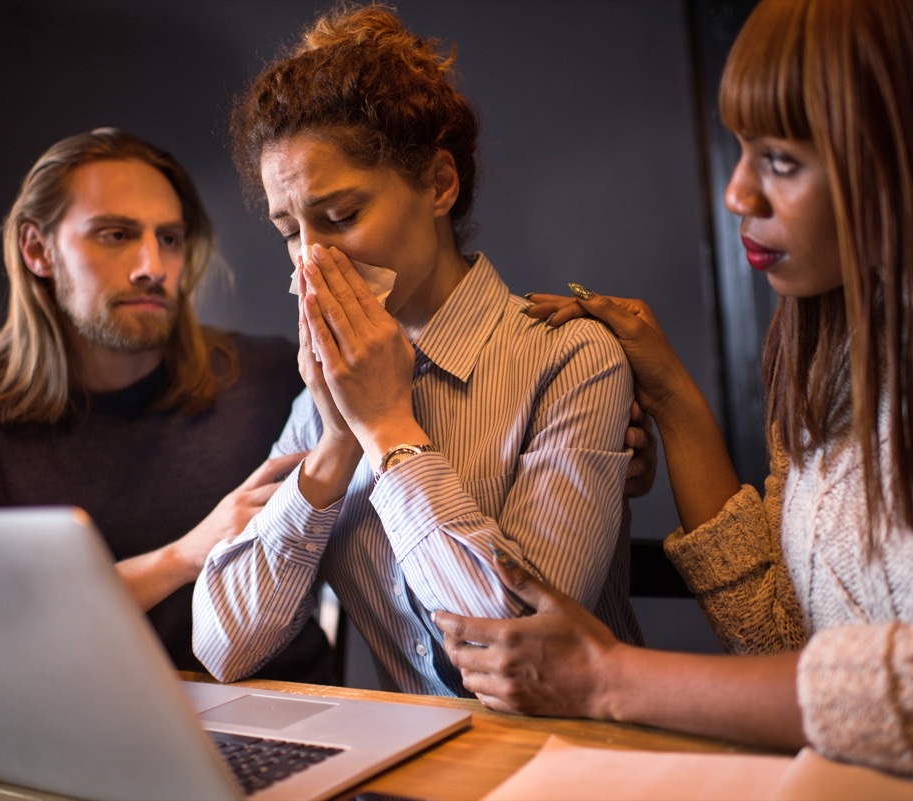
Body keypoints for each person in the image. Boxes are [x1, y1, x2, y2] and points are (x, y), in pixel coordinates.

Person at [435, 0, 913, 783]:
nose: (737, 193)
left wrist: (607, 676)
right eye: (741, 150)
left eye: (782, 160)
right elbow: (782, 640)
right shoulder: (835, 350)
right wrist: (674, 397)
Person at [192, 3, 645, 697]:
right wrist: (336, 440)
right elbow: (225, 644)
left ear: (438, 184)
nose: (310, 261)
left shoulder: (572, 360)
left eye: (340, 217)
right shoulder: (326, 391)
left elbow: (518, 645)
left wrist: (387, 429)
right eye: (290, 230)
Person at [0, 127, 333, 682]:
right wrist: (184, 557)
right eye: (116, 235)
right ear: (37, 250)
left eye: (169, 238)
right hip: (58, 729)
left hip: (280, 725)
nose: (152, 264)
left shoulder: (272, 378)